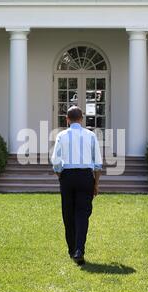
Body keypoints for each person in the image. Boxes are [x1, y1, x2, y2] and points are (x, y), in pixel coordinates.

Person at [50, 106, 103, 265]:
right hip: (85, 177)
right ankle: (79, 249)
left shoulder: (61, 135)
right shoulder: (91, 135)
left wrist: (61, 176)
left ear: (67, 119)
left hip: (67, 176)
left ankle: (72, 249)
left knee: (68, 214)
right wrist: (96, 184)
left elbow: (56, 162)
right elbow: (98, 163)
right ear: (81, 119)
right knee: (82, 214)